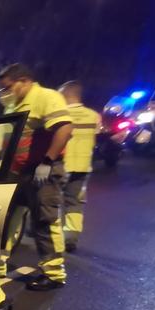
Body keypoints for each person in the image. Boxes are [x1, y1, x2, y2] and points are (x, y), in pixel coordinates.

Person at [0, 63, 73, 305]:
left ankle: (53, 273)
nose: (5, 92)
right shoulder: (13, 104)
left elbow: (65, 129)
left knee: (44, 219)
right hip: (16, 172)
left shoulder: (46, 97)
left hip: (40, 171)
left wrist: (47, 161)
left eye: (8, 87)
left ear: (24, 81)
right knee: (7, 218)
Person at [58, 80, 100, 252]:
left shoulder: (59, 114)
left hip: (61, 164)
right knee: (74, 203)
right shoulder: (93, 116)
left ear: (65, 95)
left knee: (49, 201)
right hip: (82, 167)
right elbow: (95, 136)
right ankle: (71, 239)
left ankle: (45, 234)